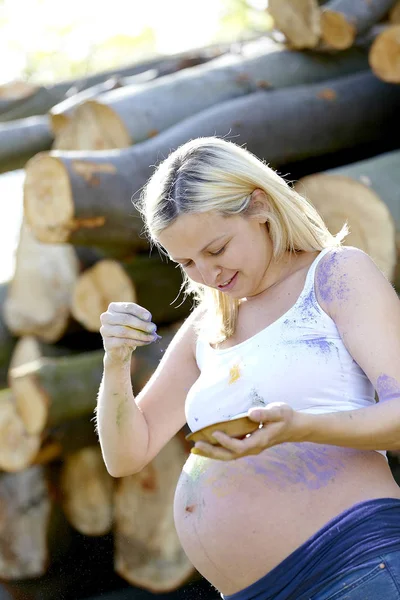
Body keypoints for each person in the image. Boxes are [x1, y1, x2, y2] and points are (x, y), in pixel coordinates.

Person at [96, 136, 400, 600]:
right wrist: (115, 363)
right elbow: (126, 455)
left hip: (350, 565)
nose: (206, 274)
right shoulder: (209, 323)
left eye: (216, 249)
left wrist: (300, 427)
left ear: (259, 206)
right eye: (186, 262)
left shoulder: (334, 275)